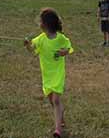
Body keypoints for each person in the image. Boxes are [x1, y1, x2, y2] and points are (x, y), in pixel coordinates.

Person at [24, 8, 73, 138]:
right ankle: (61, 117)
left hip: (58, 73)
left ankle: (57, 130)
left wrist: (64, 52)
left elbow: (69, 47)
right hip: (47, 75)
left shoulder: (60, 38)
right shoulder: (40, 39)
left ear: (45, 24)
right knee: (52, 100)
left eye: (40, 21)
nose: (39, 23)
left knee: (56, 100)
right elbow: (32, 49)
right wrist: (27, 45)